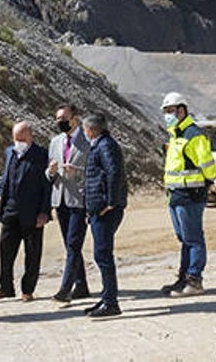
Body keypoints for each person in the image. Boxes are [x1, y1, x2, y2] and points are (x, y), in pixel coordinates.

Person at [160, 91, 216, 297]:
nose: (167, 115)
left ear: (182, 110)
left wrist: (209, 181)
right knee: (184, 238)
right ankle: (183, 278)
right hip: (175, 195)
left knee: (193, 238)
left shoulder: (194, 135)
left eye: (170, 110)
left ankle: (194, 280)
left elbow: (208, 165)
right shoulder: (176, 135)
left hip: (191, 195)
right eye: (165, 111)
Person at [0, 121, 51, 302]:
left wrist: (44, 212)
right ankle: (5, 287)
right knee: (5, 249)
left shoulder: (41, 155)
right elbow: (6, 175)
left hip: (32, 213)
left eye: (22, 138)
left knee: (32, 252)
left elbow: (46, 186)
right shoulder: (10, 152)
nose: (18, 142)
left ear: (30, 136)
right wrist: (0, 192)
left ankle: (28, 290)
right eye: (16, 138)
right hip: (10, 209)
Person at [81, 112, 127, 318]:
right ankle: (106, 297)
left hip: (105, 209)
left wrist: (110, 202)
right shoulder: (99, 145)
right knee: (101, 254)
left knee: (103, 255)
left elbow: (113, 173)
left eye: (84, 129)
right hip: (98, 208)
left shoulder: (105, 145)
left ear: (91, 130)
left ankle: (111, 303)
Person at [46, 103, 91, 303]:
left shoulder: (87, 140)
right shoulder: (55, 142)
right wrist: (51, 172)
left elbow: (94, 171)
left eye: (64, 118)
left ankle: (65, 289)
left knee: (73, 244)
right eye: (58, 119)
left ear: (75, 118)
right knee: (70, 245)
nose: (60, 122)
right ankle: (81, 285)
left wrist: (77, 172)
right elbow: (48, 174)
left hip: (79, 200)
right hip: (60, 200)